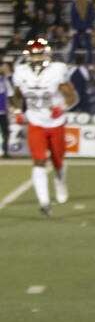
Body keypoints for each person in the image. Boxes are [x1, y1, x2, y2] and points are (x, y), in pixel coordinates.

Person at [10, 38, 78, 217]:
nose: (36, 58)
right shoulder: (21, 71)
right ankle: (44, 202)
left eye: (39, 53)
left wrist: (62, 107)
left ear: (47, 54)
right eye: (33, 54)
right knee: (38, 160)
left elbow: (72, 96)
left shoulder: (57, 70)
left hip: (55, 122)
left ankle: (60, 181)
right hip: (36, 121)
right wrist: (17, 110)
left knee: (57, 161)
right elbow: (18, 95)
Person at [0, 61, 12, 158]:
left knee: (5, 131)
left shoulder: (4, 80)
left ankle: (6, 151)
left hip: (2, 111)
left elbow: (11, 95)